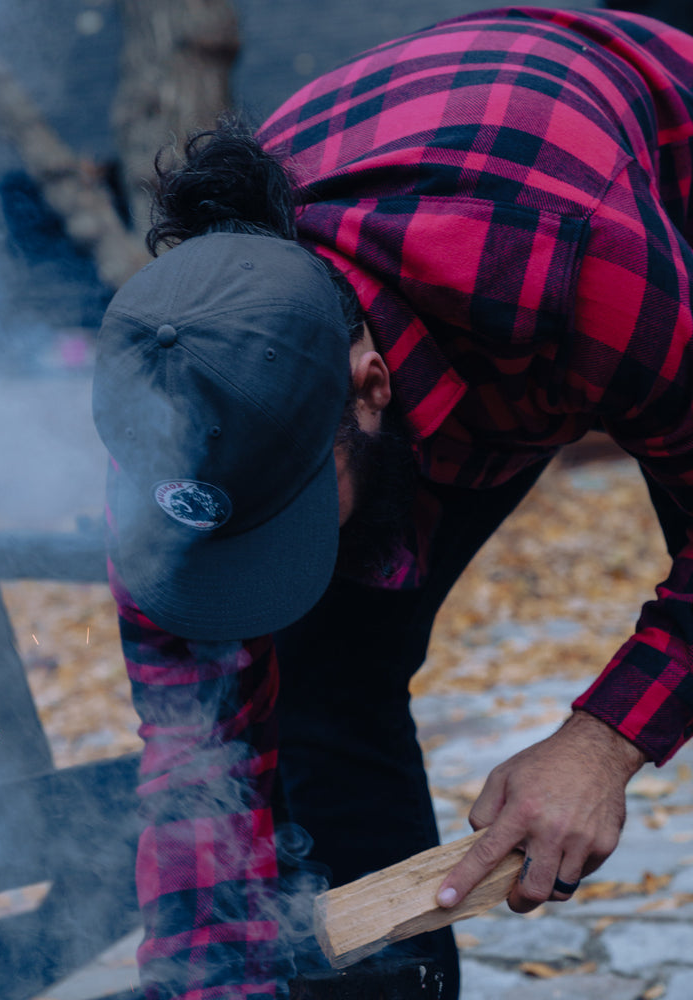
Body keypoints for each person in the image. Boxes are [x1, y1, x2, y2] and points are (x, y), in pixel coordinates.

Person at [92, 6, 693, 999]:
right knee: (321, 679)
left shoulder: (579, 268)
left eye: (287, 510)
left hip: (632, 197)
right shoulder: (177, 417)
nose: (260, 557)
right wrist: (201, 977)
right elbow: (193, 757)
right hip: (446, 312)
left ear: (370, 389)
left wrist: (603, 740)